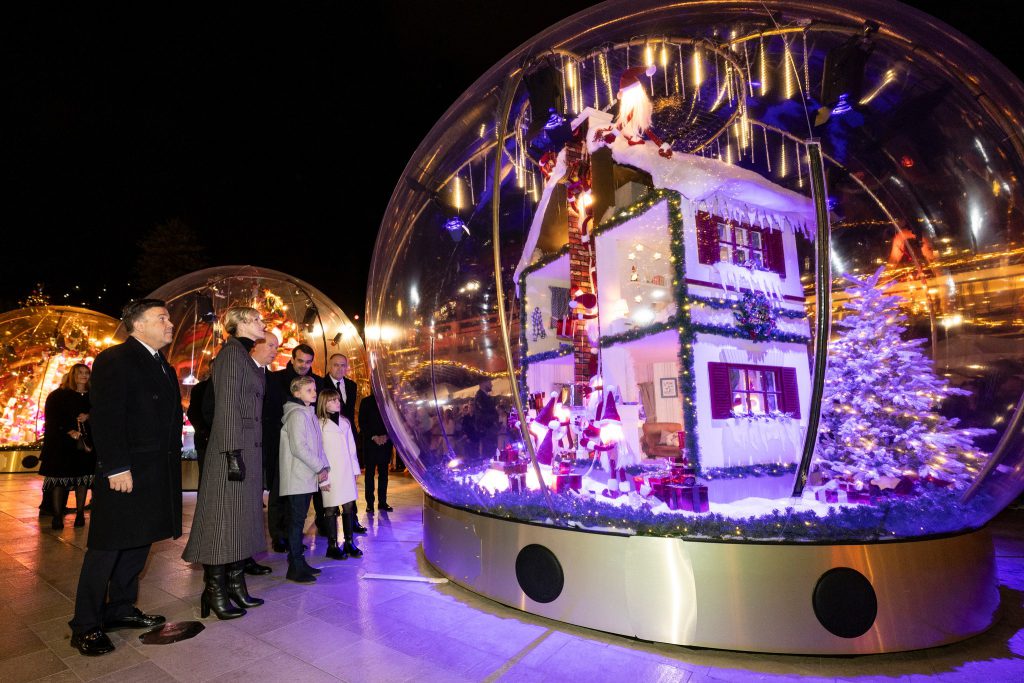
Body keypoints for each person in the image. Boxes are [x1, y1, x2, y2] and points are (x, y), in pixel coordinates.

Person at [68, 299, 181, 657]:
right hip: (126, 470)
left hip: (155, 470)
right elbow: (107, 416)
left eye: (168, 318)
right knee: (107, 545)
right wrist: (116, 466)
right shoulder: (115, 359)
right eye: (161, 318)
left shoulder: (163, 365)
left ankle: (120, 608)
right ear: (137, 324)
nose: (169, 324)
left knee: (139, 541)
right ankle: (85, 625)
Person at [182, 307, 268, 620]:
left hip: (245, 450)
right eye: (257, 319)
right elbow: (227, 407)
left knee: (240, 519)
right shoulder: (231, 355)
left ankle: (235, 584)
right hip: (231, 452)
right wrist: (232, 453)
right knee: (222, 520)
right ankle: (214, 590)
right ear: (240, 323)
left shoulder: (243, 355)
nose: (262, 323)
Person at [279, 375, 329, 583]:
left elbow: (318, 445)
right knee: (296, 521)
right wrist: (319, 466)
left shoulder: (309, 413)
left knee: (299, 520)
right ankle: (295, 566)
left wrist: (324, 466)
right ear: (296, 393)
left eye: (314, 389)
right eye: (309, 390)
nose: (314, 393)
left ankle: (298, 562)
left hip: (306, 475)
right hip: (297, 476)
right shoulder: (297, 415)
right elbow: (299, 448)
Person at [39, 363, 94, 530]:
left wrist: (89, 416)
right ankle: (57, 516)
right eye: (80, 372)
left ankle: (80, 515)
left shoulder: (93, 395)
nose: (84, 375)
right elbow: (51, 419)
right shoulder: (58, 395)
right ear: (72, 375)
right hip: (61, 446)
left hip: (84, 446)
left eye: (86, 372)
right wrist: (68, 430)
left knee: (83, 480)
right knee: (59, 481)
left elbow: (103, 414)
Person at [316, 389, 362, 560]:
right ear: (324, 403)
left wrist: (355, 469)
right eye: (333, 400)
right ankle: (332, 546)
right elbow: (318, 452)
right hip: (330, 473)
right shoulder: (318, 424)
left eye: (338, 400)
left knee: (349, 506)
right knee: (330, 508)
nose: (337, 403)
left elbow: (352, 448)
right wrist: (321, 477)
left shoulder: (345, 422)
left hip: (346, 471)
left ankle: (349, 542)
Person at [252, 334, 287, 553]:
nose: (275, 351)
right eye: (271, 345)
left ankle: (277, 536)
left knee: (276, 492)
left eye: (277, 346)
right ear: (255, 345)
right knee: (249, 498)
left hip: (272, 446)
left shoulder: (274, 380)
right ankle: (246, 550)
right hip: (247, 446)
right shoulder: (241, 372)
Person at [322, 353, 366, 528]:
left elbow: (349, 412)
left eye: (343, 365)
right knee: (329, 486)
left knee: (349, 483)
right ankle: (325, 523)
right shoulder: (321, 384)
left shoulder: (352, 385)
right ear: (329, 366)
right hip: (328, 435)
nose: (340, 368)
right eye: (336, 365)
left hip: (347, 433)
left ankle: (352, 520)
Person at [359, 388, 393, 512]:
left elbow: (393, 422)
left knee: (384, 474)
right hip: (370, 444)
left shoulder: (389, 402)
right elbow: (362, 423)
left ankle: (382, 502)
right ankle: (369, 503)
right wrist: (374, 436)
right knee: (369, 475)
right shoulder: (366, 401)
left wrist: (387, 436)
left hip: (385, 443)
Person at [474, 379, 499, 461]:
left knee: (491, 451)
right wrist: (494, 419)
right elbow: (483, 413)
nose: (491, 385)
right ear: (483, 383)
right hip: (486, 429)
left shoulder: (484, 396)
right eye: (489, 383)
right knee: (488, 452)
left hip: (488, 429)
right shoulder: (480, 397)